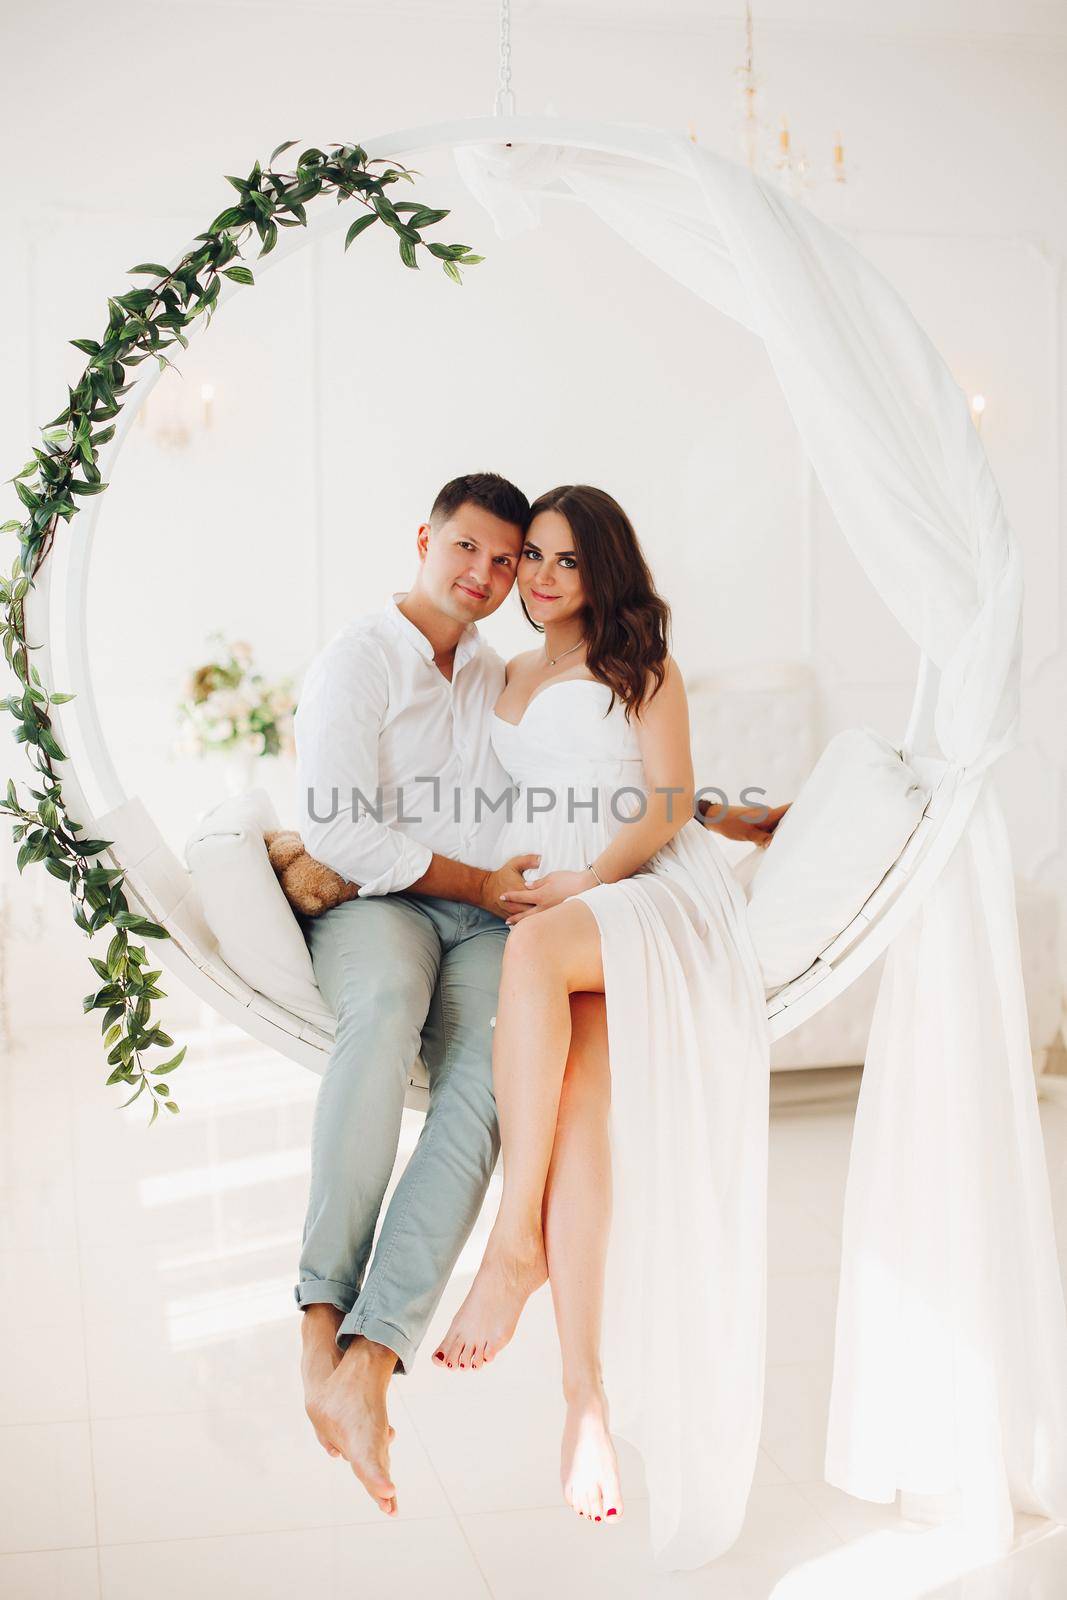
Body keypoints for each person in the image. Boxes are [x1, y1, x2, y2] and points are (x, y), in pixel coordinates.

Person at [430, 484, 788, 1567]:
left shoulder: (643, 662)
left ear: (604, 573)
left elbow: (665, 797)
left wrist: (591, 874)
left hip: (638, 890)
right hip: (559, 903)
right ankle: (582, 1394)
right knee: (577, 1088)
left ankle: (510, 1242)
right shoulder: (501, 672)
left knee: (539, 954)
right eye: (529, 557)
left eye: (563, 562)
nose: (537, 578)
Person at [293, 472, 540, 1518]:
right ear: (424, 539)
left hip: (482, 916)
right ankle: (316, 1326)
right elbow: (339, 834)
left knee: (491, 1072)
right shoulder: (358, 658)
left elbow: (553, 775)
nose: (483, 575)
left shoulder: (491, 673)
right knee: (385, 1011)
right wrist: (472, 879)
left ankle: (369, 1360)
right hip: (376, 904)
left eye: (504, 560)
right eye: (466, 549)